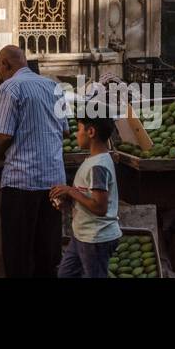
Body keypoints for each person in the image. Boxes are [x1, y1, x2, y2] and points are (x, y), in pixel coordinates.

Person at [0, 44, 67, 277]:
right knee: (48, 253)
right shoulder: (54, 86)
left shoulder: (11, 87)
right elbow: (65, 131)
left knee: (18, 254)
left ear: (5, 64)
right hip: (54, 182)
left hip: (22, 181)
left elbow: (4, 136)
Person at [52, 117, 122, 278]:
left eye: (79, 129)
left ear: (90, 132)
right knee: (66, 274)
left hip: (96, 238)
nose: (76, 134)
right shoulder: (93, 160)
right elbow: (87, 195)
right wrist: (68, 200)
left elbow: (100, 207)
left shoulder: (98, 166)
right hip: (82, 235)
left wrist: (70, 191)